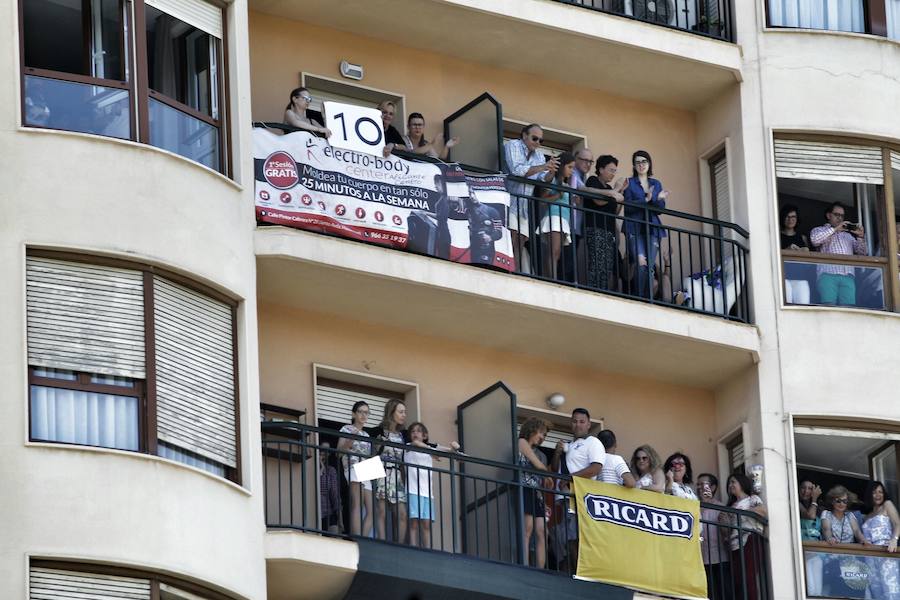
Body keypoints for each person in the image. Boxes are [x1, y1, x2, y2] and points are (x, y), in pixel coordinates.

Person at [551, 408, 604, 570]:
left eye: (582, 421)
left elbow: (596, 468)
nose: (578, 425)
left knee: (574, 538)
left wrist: (570, 479)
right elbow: (554, 469)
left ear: (588, 424)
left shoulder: (593, 442)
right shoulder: (570, 445)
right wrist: (557, 453)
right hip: (561, 499)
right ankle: (568, 573)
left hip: (579, 498)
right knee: (561, 539)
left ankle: (578, 574)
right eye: (574, 421)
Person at [503, 124, 559, 274]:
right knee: (512, 236)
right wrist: (543, 167)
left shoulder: (539, 156)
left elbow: (543, 180)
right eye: (535, 138)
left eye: (541, 140)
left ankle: (515, 272)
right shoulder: (512, 145)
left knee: (521, 240)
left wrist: (551, 172)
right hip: (509, 200)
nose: (538, 143)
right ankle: (508, 271)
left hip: (524, 205)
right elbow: (517, 170)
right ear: (524, 135)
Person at [622, 150, 669, 299]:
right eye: (637, 162)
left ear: (649, 164)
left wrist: (655, 199)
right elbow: (627, 207)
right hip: (633, 228)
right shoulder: (629, 183)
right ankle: (639, 298)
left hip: (652, 229)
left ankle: (647, 301)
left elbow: (660, 209)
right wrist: (648, 199)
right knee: (641, 264)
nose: (641, 165)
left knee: (649, 267)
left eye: (644, 161)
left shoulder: (656, 183)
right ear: (634, 166)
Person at [405, 421, 459, 549]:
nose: (415, 433)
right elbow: (416, 444)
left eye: (418, 431)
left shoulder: (429, 449)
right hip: (413, 490)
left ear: (425, 435)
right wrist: (432, 451)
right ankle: (413, 547)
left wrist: (454, 448)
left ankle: (427, 549)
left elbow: (448, 451)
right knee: (413, 523)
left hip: (428, 493)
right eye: (412, 431)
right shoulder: (408, 446)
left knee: (426, 523)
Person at [809, 201, 867, 306]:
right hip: (828, 274)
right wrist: (835, 229)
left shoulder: (848, 236)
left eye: (842, 216)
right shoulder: (819, 230)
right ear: (828, 215)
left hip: (847, 276)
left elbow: (862, 253)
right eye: (837, 215)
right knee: (829, 307)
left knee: (849, 310)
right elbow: (815, 240)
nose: (840, 218)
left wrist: (860, 237)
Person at [722, 473, 767, 600]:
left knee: (748, 577)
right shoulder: (730, 507)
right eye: (729, 483)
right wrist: (723, 523)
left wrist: (742, 512)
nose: (730, 485)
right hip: (734, 545)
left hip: (750, 540)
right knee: (738, 579)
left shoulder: (752, 499)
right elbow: (726, 532)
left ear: (742, 483)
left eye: (733, 482)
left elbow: (763, 512)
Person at [583, 155, 625, 291]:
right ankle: (594, 292)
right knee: (597, 265)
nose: (613, 174)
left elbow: (615, 212)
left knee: (606, 268)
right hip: (596, 229)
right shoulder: (593, 180)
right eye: (611, 170)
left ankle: (603, 292)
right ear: (601, 169)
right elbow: (598, 201)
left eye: (615, 171)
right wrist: (617, 190)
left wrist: (621, 195)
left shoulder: (609, 188)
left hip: (609, 232)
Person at [820, 485, 868, 597]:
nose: (842, 504)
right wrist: (830, 538)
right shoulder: (826, 514)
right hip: (833, 558)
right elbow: (826, 530)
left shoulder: (850, 515)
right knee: (837, 590)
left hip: (851, 560)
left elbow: (857, 531)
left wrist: (864, 540)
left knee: (854, 591)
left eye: (845, 501)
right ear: (832, 501)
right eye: (838, 501)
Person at [517, 417, 552, 568]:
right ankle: (525, 565)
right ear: (533, 429)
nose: (542, 438)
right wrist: (548, 475)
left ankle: (540, 568)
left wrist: (543, 502)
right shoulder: (522, 443)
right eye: (541, 433)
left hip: (535, 493)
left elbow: (538, 478)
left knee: (541, 531)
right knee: (528, 529)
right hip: (524, 488)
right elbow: (537, 465)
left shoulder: (540, 453)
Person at [374, 398, 408, 542]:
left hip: (397, 476)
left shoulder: (403, 435)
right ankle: (382, 542)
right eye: (400, 412)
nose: (404, 415)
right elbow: (372, 453)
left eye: (404, 412)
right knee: (381, 512)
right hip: (381, 472)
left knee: (402, 515)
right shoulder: (378, 431)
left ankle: (399, 545)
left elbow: (425, 443)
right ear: (391, 412)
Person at [337, 401, 373, 536]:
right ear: (354, 414)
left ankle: (364, 539)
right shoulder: (346, 429)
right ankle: (358, 538)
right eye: (361, 412)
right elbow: (339, 452)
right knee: (356, 504)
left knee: (371, 511)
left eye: (366, 412)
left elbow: (368, 456)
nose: (364, 415)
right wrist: (349, 441)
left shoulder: (367, 435)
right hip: (352, 467)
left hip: (366, 468)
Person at [537, 152, 575, 279]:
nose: (572, 171)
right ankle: (552, 280)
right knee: (554, 251)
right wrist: (558, 195)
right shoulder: (553, 180)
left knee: (557, 253)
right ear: (562, 166)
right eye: (569, 167)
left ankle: (552, 278)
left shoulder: (567, 185)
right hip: (554, 217)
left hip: (563, 220)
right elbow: (542, 200)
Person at [861, 481, 900, 600]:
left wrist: (894, 540)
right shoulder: (867, 516)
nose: (878, 495)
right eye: (874, 492)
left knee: (891, 591)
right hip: (870, 559)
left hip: (886, 553)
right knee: (876, 593)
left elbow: (898, 523)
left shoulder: (887, 505)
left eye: (880, 492)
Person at [697, 473, 732, 600]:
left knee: (725, 593)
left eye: (703, 484)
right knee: (709, 595)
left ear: (712, 487)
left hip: (721, 558)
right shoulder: (694, 506)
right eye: (698, 484)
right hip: (702, 560)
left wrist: (724, 523)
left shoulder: (721, 507)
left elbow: (727, 533)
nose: (700, 487)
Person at [464, 183, 503, 266]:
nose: (472, 196)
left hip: (487, 249)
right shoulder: (468, 209)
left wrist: (490, 237)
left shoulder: (492, 211)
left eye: (474, 193)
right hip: (473, 248)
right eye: (470, 193)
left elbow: (499, 232)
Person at [780, 204, 811, 304]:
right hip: (784, 277)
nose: (790, 219)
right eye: (787, 216)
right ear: (783, 218)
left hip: (801, 277)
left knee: (803, 306)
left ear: (797, 219)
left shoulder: (802, 238)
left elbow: (809, 261)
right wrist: (786, 250)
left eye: (793, 217)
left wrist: (805, 251)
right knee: (786, 305)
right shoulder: (777, 236)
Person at [798, 480, 823, 596]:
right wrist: (814, 499)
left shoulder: (820, 509)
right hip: (802, 553)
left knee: (818, 591)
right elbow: (810, 516)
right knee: (810, 590)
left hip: (817, 553)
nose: (806, 491)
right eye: (803, 488)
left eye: (810, 488)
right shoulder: (795, 503)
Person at [319, 441, 342, 534]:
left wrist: (340, 519)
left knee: (334, 537)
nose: (323, 453)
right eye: (321, 450)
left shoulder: (330, 470)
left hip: (328, 513)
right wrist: (320, 469)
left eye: (326, 451)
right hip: (314, 513)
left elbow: (334, 494)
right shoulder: (310, 468)